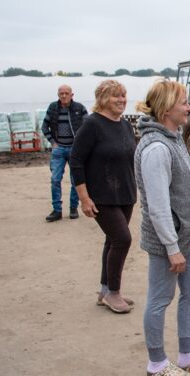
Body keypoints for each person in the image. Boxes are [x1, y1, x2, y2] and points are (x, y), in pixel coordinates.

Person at [135, 79, 190, 375]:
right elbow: (158, 207)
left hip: (186, 236)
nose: (189, 107)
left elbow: (184, 194)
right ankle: (157, 364)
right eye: (183, 102)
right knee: (160, 299)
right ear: (164, 109)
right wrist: (172, 248)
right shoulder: (156, 149)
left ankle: (187, 355)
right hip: (167, 241)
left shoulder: (174, 137)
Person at [70, 80, 137, 314]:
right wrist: (84, 198)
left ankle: (105, 290)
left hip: (125, 194)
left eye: (123, 95)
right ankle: (113, 293)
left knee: (112, 241)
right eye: (114, 96)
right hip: (101, 195)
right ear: (102, 99)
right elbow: (76, 161)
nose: (121, 100)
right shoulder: (92, 125)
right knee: (122, 239)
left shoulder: (126, 126)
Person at [41, 85, 88, 222]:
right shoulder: (53, 108)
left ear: (72, 94)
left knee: (75, 180)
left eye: (66, 93)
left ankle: (73, 208)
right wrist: (53, 142)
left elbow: (88, 126)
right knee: (55, 179)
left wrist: (81, 144)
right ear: (58, 94)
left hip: (75, 149)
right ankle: (57, 210)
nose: (63, 96)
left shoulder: (79, 108)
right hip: (58, 149)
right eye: (61, 93)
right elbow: (45, 126)